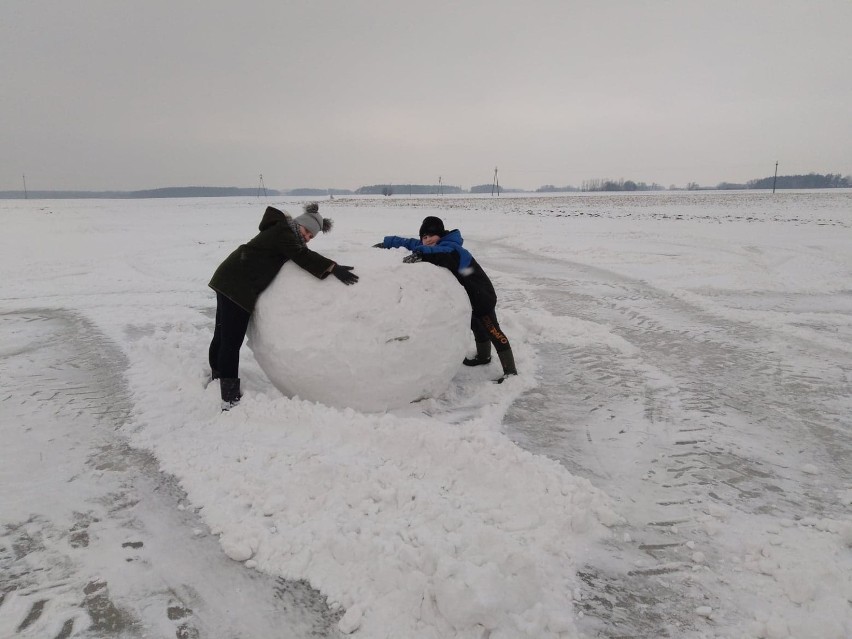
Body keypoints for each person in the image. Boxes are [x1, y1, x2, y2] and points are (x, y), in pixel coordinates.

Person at [209, 202, 358, 408]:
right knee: (231, 339)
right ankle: (229, 396)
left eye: (311, 237)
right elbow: (301, 256)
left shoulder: (283, 232)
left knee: (222, 332)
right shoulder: (284, 233)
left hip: (229, 277)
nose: (307, 238)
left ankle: (217, 375)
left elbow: (297, 252)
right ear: (299, 224)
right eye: (307, 232)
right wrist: (332, 267)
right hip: (237, 285)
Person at [375, 216, 517, 382]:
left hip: (481, 296)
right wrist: (387, 243)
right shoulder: (432, 245)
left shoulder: (451, 248)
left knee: (493, 330)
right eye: (424, 237)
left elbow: (441, 254)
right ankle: (483, 357)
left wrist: (422, 254)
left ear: (440, 235)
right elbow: (410, 243)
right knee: (477, 327)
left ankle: (511, 372)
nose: (427, 240)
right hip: (469, 297)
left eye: (431, 236)